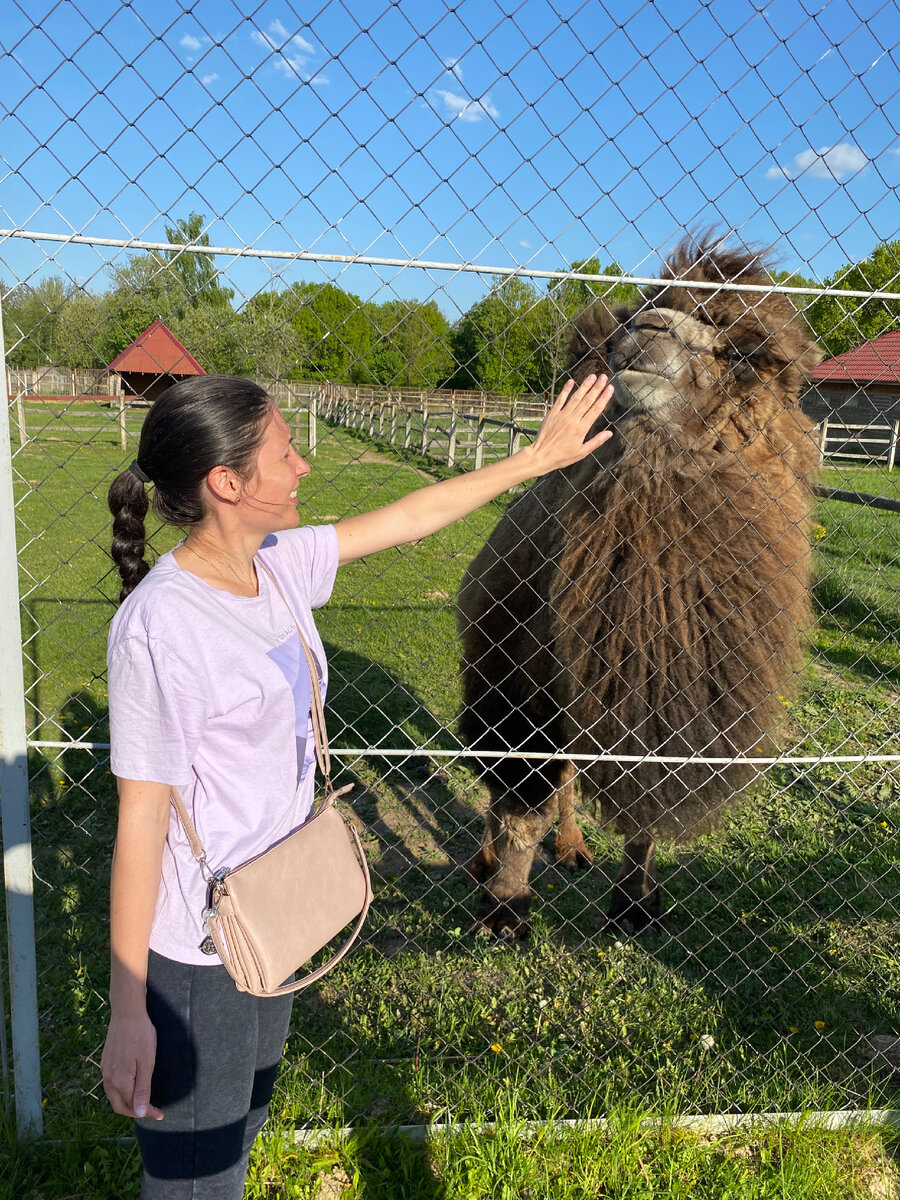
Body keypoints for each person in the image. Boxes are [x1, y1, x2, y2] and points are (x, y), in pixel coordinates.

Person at [100, 371, 613, 1198]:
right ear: (227, 484)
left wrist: (535, 462)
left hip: (274, 911)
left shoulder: (276, 566)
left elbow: (411, 518)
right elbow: (141, 822)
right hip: (198, 951)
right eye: (285, 452)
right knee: (198, 1180)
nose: (303, 467)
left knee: (244, 1128)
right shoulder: (163, 626)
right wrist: (131, 1012)